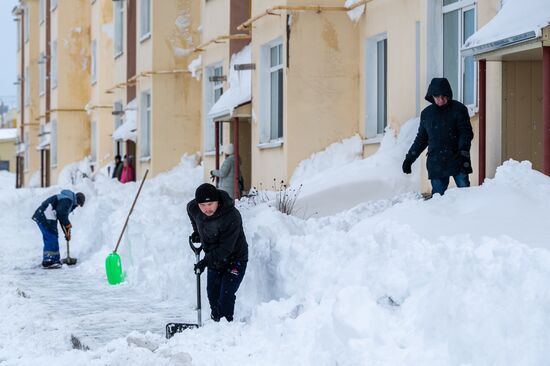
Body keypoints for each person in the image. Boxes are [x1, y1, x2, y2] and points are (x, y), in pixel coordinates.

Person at [187, 183, 248, 322]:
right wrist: (197, 231)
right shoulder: (194, 208)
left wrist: (204, 262)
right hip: (214, 258)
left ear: (218, 202)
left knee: (225, 294)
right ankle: (216, 324)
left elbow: (226, 249)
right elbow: (190, 211)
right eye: (203, 205)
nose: (207, 209)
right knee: (212, 294)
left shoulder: (231, 216)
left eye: (211, 204)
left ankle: (226, 325)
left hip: (235, 258)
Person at [402, 77, 474, 196]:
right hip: (436, 162)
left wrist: (463, 150)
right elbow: (421, 139)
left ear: (448, 96)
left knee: (465, 194)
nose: (440, 100)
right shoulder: (427, 114)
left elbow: (466, 133)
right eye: (437, 97)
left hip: (458, 158)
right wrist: (410, 159)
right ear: (432, 96)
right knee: (437, 198)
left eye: (443, 97)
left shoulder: (459, 109)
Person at [32, 190, 85, 268]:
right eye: (78, 205)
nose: (76, 206)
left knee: (52, 236)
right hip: (45, 216)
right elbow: (61, 214)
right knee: (51, 237)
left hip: (46, 216)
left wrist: (66, 231)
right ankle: (49, 261)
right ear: (77, 200)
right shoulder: (68, 200)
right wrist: (67, 224)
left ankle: (54, 260)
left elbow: (61, 217)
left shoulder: (66, 199)